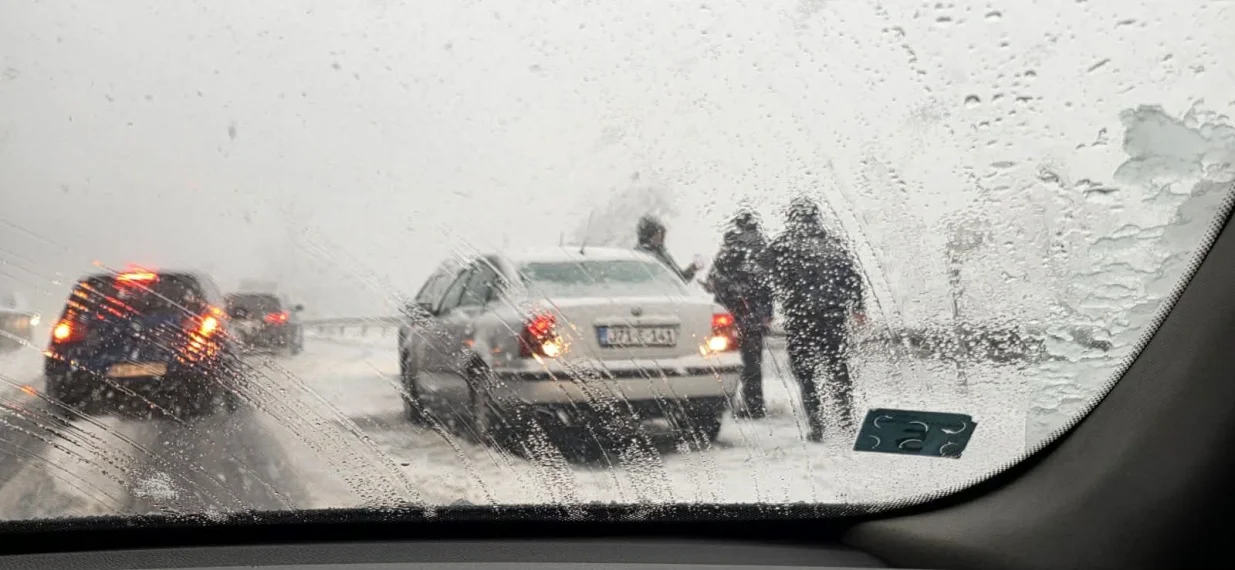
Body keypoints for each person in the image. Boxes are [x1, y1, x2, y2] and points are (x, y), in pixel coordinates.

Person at [762, 197, 865, 442]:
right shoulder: (833, 243)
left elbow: (765, 281)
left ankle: (817, 425)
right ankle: (846, 420)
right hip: (833, 316)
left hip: (801, 318)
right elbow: (854, 277)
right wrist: (858, 308)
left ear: (791, 217)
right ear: (816, 217)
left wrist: (767, 311)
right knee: (837, 367)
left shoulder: (782, 245)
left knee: (805, 371)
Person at [706, 210, 775, 418]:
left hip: (728, 314)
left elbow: (713, 279)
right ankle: (754, 406)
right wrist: (767, 313)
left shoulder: (729, 247)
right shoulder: (762, 249)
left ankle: (722, 403)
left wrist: (719, 290)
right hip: (753, 315)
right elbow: (767, 285)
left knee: (725, 360)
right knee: (752, 362)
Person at [635, 215, 700, 282]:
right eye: (657, 234)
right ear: (648, 236)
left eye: (661, 234)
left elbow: (680, 278)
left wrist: (691, 270)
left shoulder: (663, 254)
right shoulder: (639, 256)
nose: (660, 237)